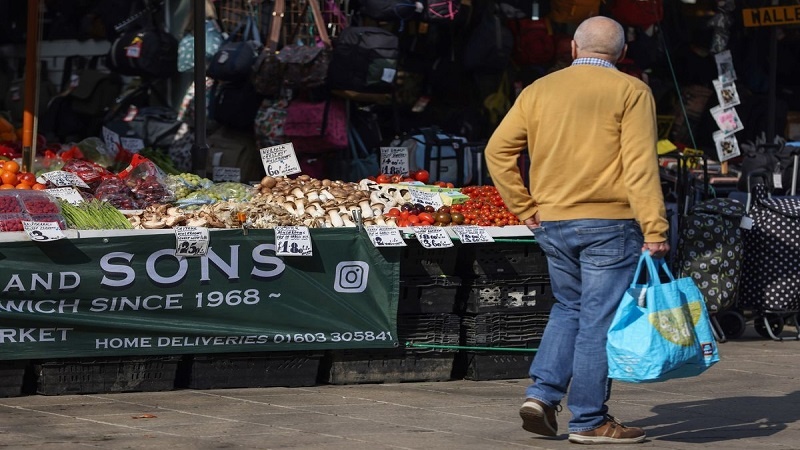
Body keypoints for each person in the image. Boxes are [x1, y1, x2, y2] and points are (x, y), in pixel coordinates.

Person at [484, 16, 670, 445]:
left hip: (552, 221)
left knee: (568, 308)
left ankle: (543, 395)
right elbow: (640, 166)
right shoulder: (631, 90)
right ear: (622, 54)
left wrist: (523, 206)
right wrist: (655, 227)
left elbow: (497, 151)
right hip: (609, 223)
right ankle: (588, 420)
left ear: (572, 48)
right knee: (597, 322)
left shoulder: (539, 90)